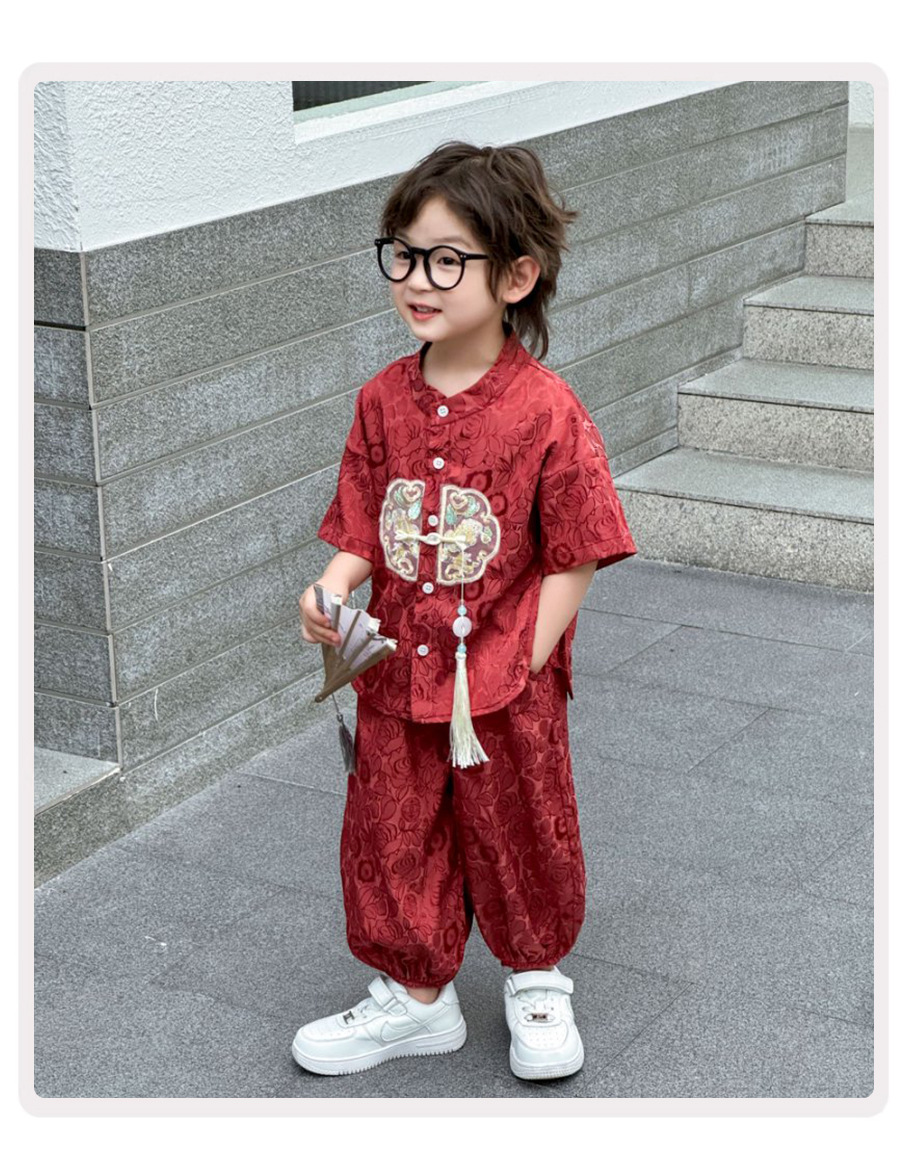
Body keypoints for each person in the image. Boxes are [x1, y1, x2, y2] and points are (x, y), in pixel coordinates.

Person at [293, 141, 637, 1082]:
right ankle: (416, 999)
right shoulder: (380, 402)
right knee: (392, 826)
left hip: (505, 679)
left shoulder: (547, 411)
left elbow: (578, 548)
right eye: (403, 254)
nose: (417, 278)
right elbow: (363, 521)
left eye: (447, 259)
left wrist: (523, 658)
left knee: (521, 822)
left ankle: (536, 977)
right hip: (395, 669)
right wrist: (331, 588)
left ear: (515, 276)